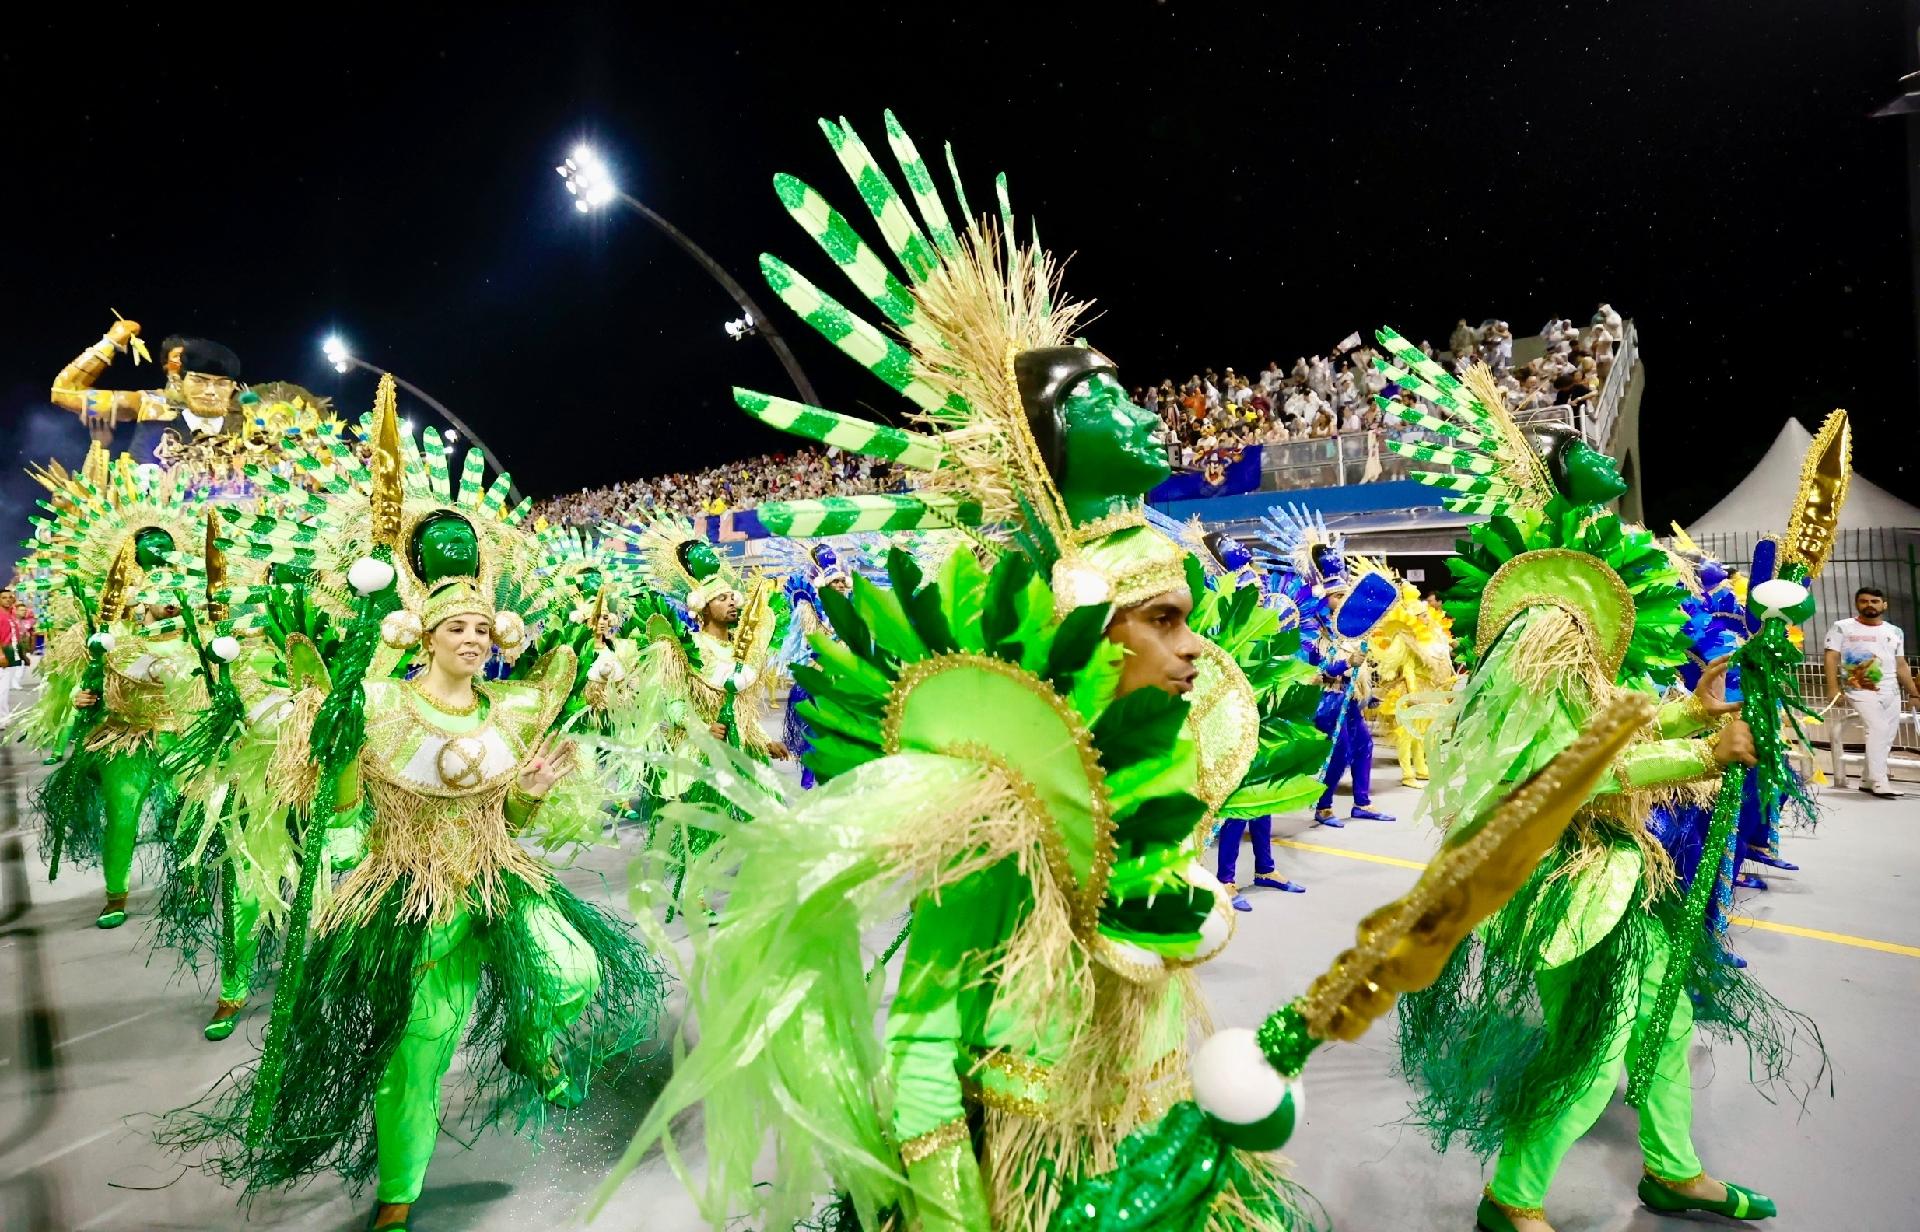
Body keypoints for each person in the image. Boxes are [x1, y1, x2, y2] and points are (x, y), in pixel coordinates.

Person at [1374, 328, 1815, 1232]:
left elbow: (1604, 726)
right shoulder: (1545, 630)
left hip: (1617, 867)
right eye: (1585, 460)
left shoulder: (1579, 631)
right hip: (1567, 875)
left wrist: (1693, 711)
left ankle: (1674, 1171)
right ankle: (1512, 1197)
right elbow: (1561, 773)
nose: (1609, 470)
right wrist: (1699, 755)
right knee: (1593, 1048)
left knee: (1664, 1030)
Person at [1824, 586, 1916, 797]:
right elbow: (1831, 656)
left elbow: (1901, 664)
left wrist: (1913, 692)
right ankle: (1879, 780)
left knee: (1887, 734)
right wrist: (1833, 688)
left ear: (1884, 605)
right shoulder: (1842, 627)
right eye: (1864, 601)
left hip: (1891, 690)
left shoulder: (1894, 631)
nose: (1869, 605)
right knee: (1879, 729)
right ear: (1857, 604)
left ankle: (1866, 779)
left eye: (1874, 601)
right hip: (1859, 687)